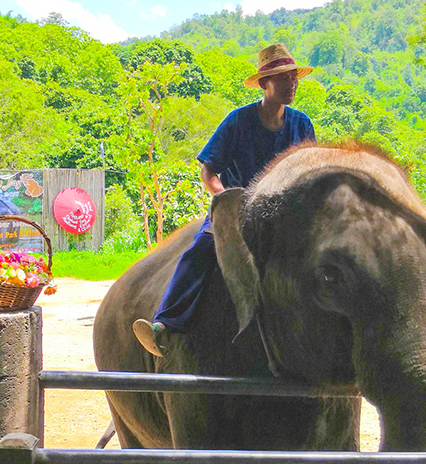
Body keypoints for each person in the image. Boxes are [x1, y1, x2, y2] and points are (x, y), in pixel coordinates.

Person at [133, 43, 316, 356]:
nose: (292, 83)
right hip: (237, 212)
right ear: (264, 83)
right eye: (283, 78)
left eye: (293, 77)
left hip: (285, 214)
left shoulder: (302, 124)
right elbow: (208, 169)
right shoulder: (238, 121)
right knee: (201, 251)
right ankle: (165, 324)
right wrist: (225, 197)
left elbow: (308, 172)